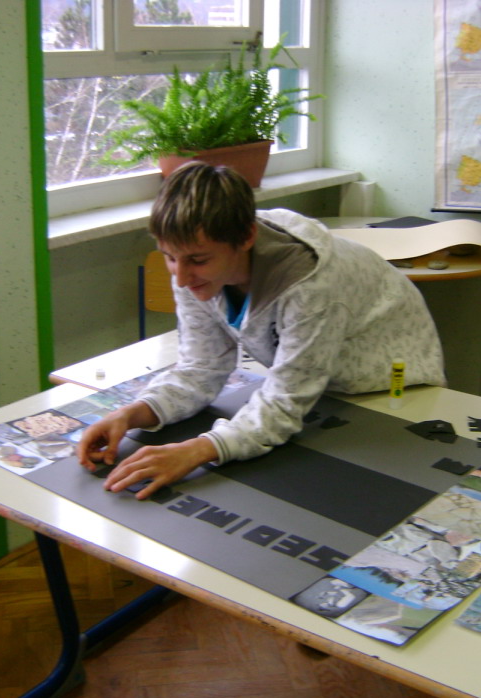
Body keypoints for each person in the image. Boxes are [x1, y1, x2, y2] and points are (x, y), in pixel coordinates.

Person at [77, 161, 446, 499]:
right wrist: (131, 414)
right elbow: (201, 368)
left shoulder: (310, 287)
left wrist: (194, 451)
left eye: (197, 260)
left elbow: (284, 404)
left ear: (246, 238)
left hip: (391, 385)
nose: (182, 277)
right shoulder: (195, 261)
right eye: (170, 257)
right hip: (322, 383)